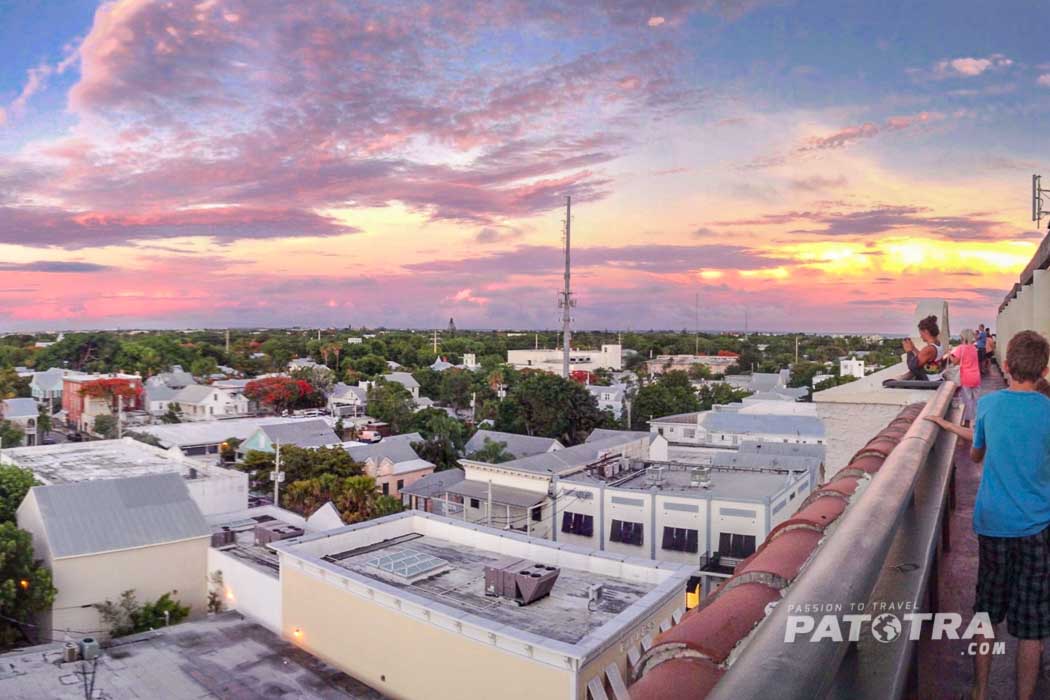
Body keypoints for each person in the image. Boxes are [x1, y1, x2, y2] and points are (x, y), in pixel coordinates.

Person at [928, 330, 1050, 700]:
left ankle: (980, 691)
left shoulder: (991, 405)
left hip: (994, 524)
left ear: (1008, 367)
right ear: (1044, 369)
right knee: (1031, 626)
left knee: (987, 612)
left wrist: (949, 426)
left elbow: (978, 453)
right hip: (1036, 527)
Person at [948, 329, 982, 426]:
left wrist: (950, 354)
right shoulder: (974, 348)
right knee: (976, 400)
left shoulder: (960, 348)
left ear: (962, 337)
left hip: (966, 377)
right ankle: (977, 421)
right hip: (976, 376)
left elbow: (955, 362)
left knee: (967, 400)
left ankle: (967, 422)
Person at [902, 315, 945, 380]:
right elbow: (923, 357)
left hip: (931, 382)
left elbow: (912, 366)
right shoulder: (938, 344)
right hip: (937, 379)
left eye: (921, 333)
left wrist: (909, 351)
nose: (920, 336)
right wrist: (913, 348)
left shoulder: (929, 349)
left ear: (926, 331)